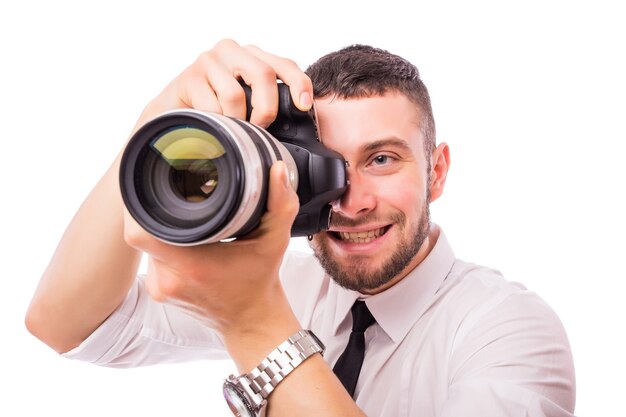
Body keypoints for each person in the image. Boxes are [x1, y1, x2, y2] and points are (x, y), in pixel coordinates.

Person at [25, 39, 576, 416]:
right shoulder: (287, 284)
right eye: (324, 168)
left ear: (436, 172)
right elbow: (68, 324)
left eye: (382, 159)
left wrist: (251, 322)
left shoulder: (510, 329)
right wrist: (153, 126)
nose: (350, 201)